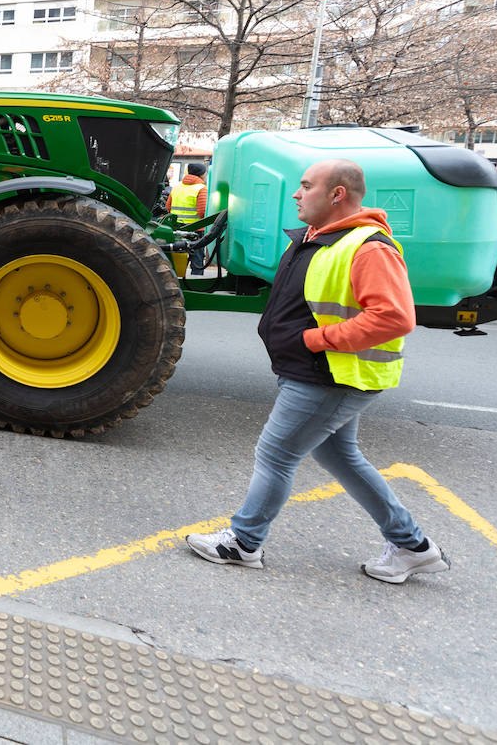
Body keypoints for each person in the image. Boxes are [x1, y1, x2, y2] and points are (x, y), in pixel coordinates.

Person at [186, 158, 448, 584]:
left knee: (275, 454)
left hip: (330, 376)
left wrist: (314, 341)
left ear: (337, 193)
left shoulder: (369, 247)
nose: (296, 193)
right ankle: (411, 546)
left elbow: (394, 317)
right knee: (340, 455)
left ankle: (243, 543)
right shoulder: (322, 238)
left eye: (306, 186)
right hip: (321, 372)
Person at [167, 161, 208, 274]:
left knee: (178, 257)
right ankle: (196, 283)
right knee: (197, 259)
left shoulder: (177, 186)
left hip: (178, 229)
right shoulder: (201, 188)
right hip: (196, 230)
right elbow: (203, 212)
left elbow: (168, 207)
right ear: (202, 174)